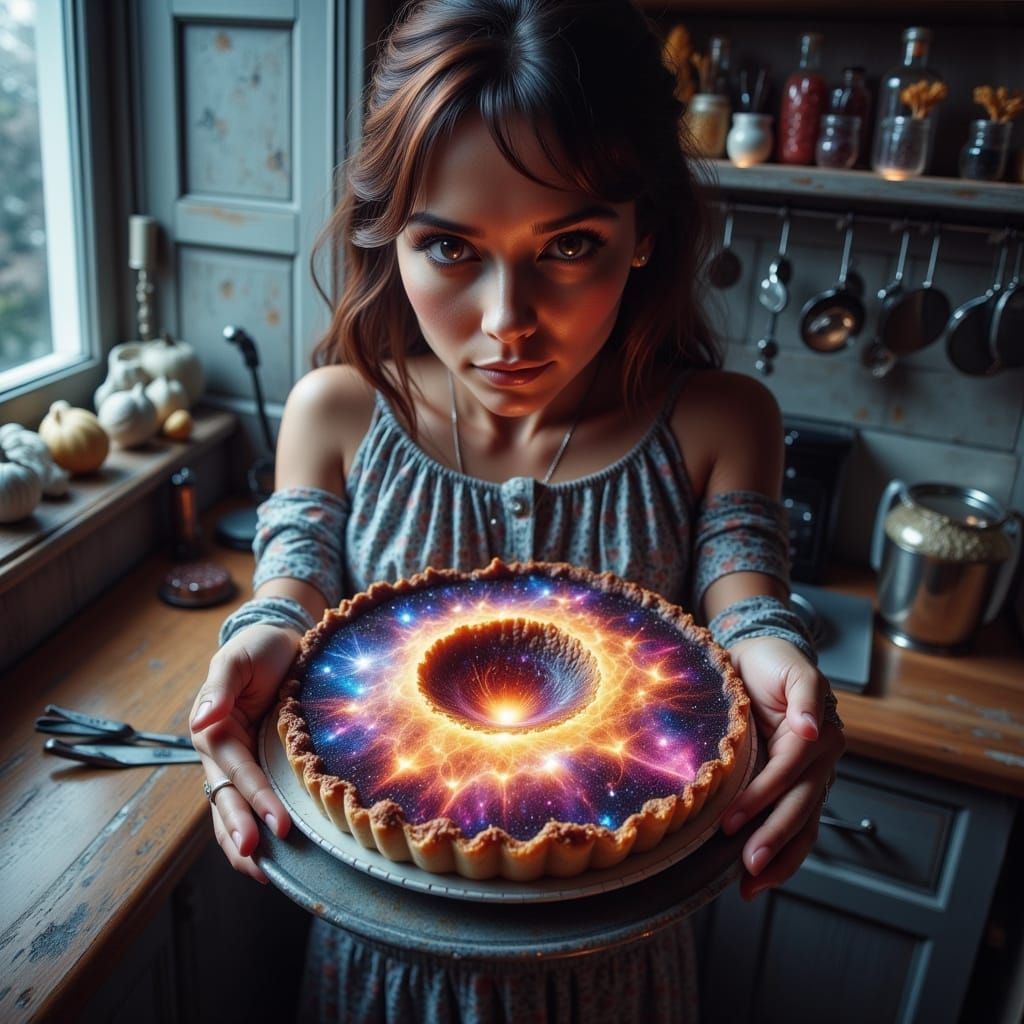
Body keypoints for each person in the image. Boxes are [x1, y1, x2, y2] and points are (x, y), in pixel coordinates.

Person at [190, 0, 846, 1019]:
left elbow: (746, 604)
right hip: (383, 976)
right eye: (450, 248)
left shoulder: (720, 422)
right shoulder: (337, 413)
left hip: (616, 982)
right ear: (389, 238)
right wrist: (252, 647)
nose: (507, 325)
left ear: (644, 236)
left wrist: (786, 677)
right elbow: (293, 589)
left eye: (570, 243)